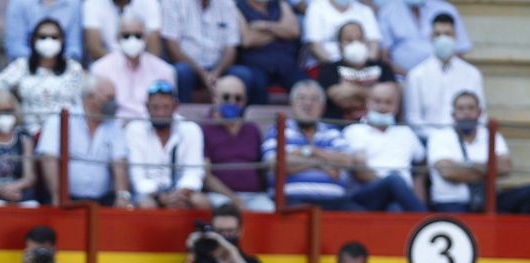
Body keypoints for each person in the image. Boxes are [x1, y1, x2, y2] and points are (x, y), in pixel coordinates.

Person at [426, 90, 530, 214]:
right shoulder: (440, 136)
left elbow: (506, 167)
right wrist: (488, 170)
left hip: (489, 201)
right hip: (453, 202)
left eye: (471, 108)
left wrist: (465, 168)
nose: (466, 112)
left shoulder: (491, 134)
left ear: (479, 112)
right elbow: (448, 171)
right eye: (461, 108)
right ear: (453, 114)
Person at [262, 80, 361, 210]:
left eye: (314, 99)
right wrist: (320, 163)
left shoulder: (332, 132)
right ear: (292, 104)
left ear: (322, 107)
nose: (308, 104)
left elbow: (347, 161)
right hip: (292, 200)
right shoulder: (278, 130)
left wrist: (311, 152)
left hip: (335, 202)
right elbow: (276, 163)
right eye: (301, 98)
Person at [36, 74, 131, 205]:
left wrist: (122, 195)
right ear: (90, 97)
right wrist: (56, 194)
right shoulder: (61, 118)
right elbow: (48, 157)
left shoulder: (114, 124)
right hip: (65, 199)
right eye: (110, 98)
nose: (114, 103)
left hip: (103, 201)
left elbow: (120, 160)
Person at [0, 18, 86, 136]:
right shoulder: (21, 66)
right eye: (43, 37)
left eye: (54, 37)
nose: (48, 41)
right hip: (30, 135)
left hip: (68, 134)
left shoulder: (74, 68)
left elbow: (84, 103)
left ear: (62, 40)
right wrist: (13, 103)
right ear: (33, 39)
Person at [342, 81, 427, 211]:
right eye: (377, 101)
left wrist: (416, 187)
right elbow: (360, 171)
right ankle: (428, 220)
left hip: (400, 197)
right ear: (368, 103)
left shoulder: (406, 132)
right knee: (394, 179)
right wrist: (391, 184)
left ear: (397, 107)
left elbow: (422, 163)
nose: (382, 107)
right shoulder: (354, 130)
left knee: (395, 209)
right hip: (367, 195)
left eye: (388, 102)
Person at [126, 80, 207, 209]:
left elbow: (194, 174)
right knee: (147, 205)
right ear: (147, 107)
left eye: (165, 107)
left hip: (182, 193)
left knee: (201, 202)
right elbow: (138, 179)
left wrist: (179, 194)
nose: (160, 113)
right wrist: (161, 197)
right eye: (155, 108)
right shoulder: (135, 129)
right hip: (149, 195)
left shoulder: (191, 129)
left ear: (175, 106)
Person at [401, 13, 482, 138]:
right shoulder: (416, 75)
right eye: (438, 34)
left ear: (456, 36)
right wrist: (439, 138)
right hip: (429, 139)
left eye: (448, 34)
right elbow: (413, 118)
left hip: (466, 138)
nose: (443, 39)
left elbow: (480, 114)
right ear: (431, 37)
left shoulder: (472, 73)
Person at [161, 0, 256, 105]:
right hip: (190, 66)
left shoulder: (227, 3)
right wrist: (203, 74)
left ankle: (236, 120)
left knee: (243, 74)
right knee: (181, 72)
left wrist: (216, 73)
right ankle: (184, 118)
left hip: (218, 67)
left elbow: (231, 48)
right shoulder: (173, 2)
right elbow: (172, 46)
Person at [201, 75, 273, 212]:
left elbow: (262, 168)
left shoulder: (252, 129)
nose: (232, 102)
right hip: (218, 196)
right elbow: (205, 175)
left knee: (269, 209)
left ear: (244, 101)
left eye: (238, 98)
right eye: (226, 97)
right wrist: (234, 198)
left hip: (253, 196)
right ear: (215, 98)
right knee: (227, 211)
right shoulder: (204, 128)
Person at [87, 14, 175, 122]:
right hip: (114, 127)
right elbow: (96, 110)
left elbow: (168, 108)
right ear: (117, 38)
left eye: (138, 36)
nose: (132, 40)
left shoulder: (164, 70)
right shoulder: (99, 69)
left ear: (146, 38)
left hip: (150, 129)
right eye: (126, 36)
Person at [173, 202, 263, 263]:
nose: (224, 236)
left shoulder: (251, 262)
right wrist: (192, 253)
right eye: (219, 231)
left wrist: (232, 251)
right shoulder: (199, 259)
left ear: (240, 231)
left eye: (230, 231)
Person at [318, 22, 395, 124]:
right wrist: (374, 95)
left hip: (378, 125)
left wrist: (353, 90)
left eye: (360, 39)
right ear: (339, 45)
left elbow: (392, 98)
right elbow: (340, 101)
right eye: (349, 40)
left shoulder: (383, 67)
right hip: (342, 127)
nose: (355, 44)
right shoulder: (329, 70)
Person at [235, 0, 302, 104]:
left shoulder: (281, 4)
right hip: (255, 64)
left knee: (306, 84)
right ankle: (258, 119)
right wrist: (281, 31)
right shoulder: (238, 7)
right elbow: (247, 40)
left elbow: (294, 31)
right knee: (256, 83)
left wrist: (265, 26)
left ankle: (300, 120)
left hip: (286, 64)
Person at [379, 0, 470, 75]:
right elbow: (384, 57)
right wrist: (413, 77)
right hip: (402, 79)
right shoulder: (388, 11)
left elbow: (459, 50)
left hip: (444, 75)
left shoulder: (446, 9)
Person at [4, 0, 85, 64]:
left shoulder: (74, 3)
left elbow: (74, 48)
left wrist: (59, 65)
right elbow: (15, 47)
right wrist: (41, 64)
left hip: (63, 69)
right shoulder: (18, 2)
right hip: (27, 68)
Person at [303, 0, 381, 65]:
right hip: (326, 65)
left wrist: (366, 66)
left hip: (361, 66)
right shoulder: (316, 7)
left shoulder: (365, 10)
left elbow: (373, 43)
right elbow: (314, 45)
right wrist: (336, 68)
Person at [84, 0, 163, 62]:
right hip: (107, 66)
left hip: (143, 65)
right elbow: (94, 49)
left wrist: (138, 66)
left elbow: (154, 50)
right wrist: (122, 66)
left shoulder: (150, 3)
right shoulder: (92, 3)